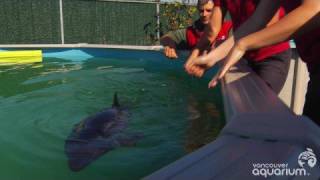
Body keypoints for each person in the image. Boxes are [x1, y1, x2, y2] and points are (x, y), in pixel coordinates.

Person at [192, 0, 320, 124]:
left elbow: (313, 10)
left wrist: (243, 45)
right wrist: (212, 57)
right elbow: (257, 20)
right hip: (314, 67)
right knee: (311, 132)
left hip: (274, 56)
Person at [185, 0, 293, 94]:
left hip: (271, 55)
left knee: (259, 105)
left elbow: (263, 21)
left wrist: (213, 57)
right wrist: (195, 53)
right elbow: (212, 29)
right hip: (244, 56)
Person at [160, 0, 232, 59]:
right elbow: (167, 37)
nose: (204, 14)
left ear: (217, 11)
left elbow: (236, 46)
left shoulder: (230, 28)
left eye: (209, 10)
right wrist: (170, 46)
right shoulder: (191, 32)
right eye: (201, 11)